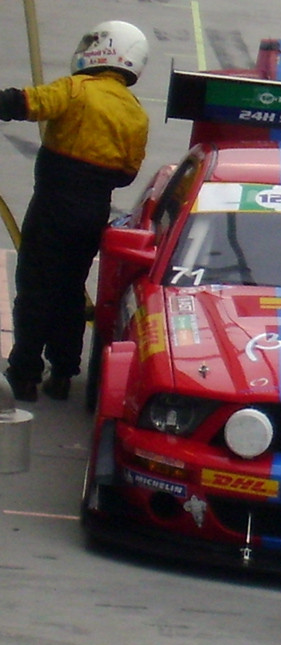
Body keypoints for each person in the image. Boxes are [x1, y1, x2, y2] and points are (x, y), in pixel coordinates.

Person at [0, 21, 149, 402]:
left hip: (52, 205)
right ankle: (64, 371)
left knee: (35, 288)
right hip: (92, 213)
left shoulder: (76, 90)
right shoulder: (135, 114)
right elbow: (127, 173)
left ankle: (25, 373)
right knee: (70, 290)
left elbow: (28, 103)